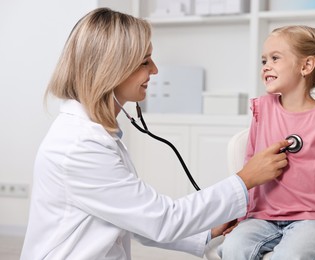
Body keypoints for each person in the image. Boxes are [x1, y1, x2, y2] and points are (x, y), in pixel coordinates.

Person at [20, 8, 292, 260]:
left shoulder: (94, 134)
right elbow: (162, 219)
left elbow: (133, 218)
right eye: (145, 62)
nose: (155, 70)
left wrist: (208, 232)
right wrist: (245, 180)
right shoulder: (79, 146)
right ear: (112, 68)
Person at [218, 25, 315, 260]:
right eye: (264, 60)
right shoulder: (262, 110)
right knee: (233, 248)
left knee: (289, 257)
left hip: (313, 219)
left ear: (305, 66)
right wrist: (243, 217)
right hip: (263, 217)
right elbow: (250, 168)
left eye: (275, 58)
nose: (266, 66)